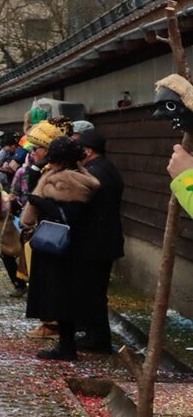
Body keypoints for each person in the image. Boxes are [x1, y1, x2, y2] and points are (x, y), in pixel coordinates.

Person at [20, 137, 102, 361]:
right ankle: (66, 345)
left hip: (61, 248)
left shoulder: (69, 180)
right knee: (61, 295)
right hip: (62, 246)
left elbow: (70, 215)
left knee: (61, 296)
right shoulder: (74, 175)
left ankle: (67, 347)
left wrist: (40, 202)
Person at [75, 128, 122, 352]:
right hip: (105, 239)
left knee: (93, 291)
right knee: (94, 290)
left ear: (88, 151)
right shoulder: (107, 168)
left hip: (96, 241)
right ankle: (95, 334)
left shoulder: (95, 173)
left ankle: (98, 338)